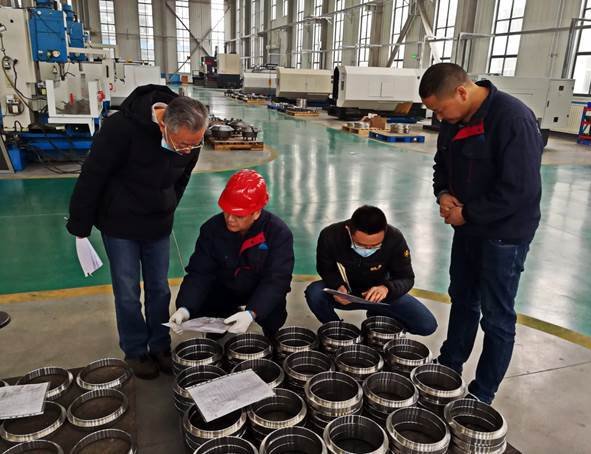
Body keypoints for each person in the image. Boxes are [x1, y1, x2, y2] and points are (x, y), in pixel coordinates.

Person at [419, 63, 542, 404]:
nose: (439, 118)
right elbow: (441, 166)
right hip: (468, 231)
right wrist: (443, 193)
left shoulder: (512, 119)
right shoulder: (454, 121)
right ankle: (449, 365)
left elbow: (520, 190)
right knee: (462, 298)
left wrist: (467, 213)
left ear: (462, 92)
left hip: (504, 236)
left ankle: (482, 394)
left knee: (497, 316)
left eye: (440, 110)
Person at [66, 85, 208, 379]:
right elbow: (93, 176)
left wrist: (168, 205)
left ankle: (160, 345)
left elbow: (181, 178)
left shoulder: (190, 141)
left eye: (195, 144)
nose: (189, 151)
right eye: (183, 144)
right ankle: (135, 350)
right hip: (120, 224)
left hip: (158, 224)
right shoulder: (120, 129)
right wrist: (80, 225)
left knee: (159, 289)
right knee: (128, 292)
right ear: (164, 126)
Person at [169, 169, 294, 337]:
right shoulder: (211, 229)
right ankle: (218, 328)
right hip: (226, 288)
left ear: (256, 212)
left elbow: (277, 279)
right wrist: (185, 308)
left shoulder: (278, 233)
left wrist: (252, 312)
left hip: (259, 288)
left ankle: (270, 332)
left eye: (238, 215)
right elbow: (200, 273)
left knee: (273, 308)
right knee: (205, 303)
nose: (229, 219)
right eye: (226, 211)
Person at [305, 205, 437, 336]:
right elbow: (325, 269)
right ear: (348, 230)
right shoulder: (331, 236)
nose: (367, 249)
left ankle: (379, 317)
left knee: (426, 325)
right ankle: (338, 331)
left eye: (375, 246)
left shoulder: (394, 238)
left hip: (381, 296)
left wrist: (387, 288)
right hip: (348, 292)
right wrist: (337, 286)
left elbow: (406, 278)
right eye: (360, 245)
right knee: (315, 293)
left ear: (385, 232)